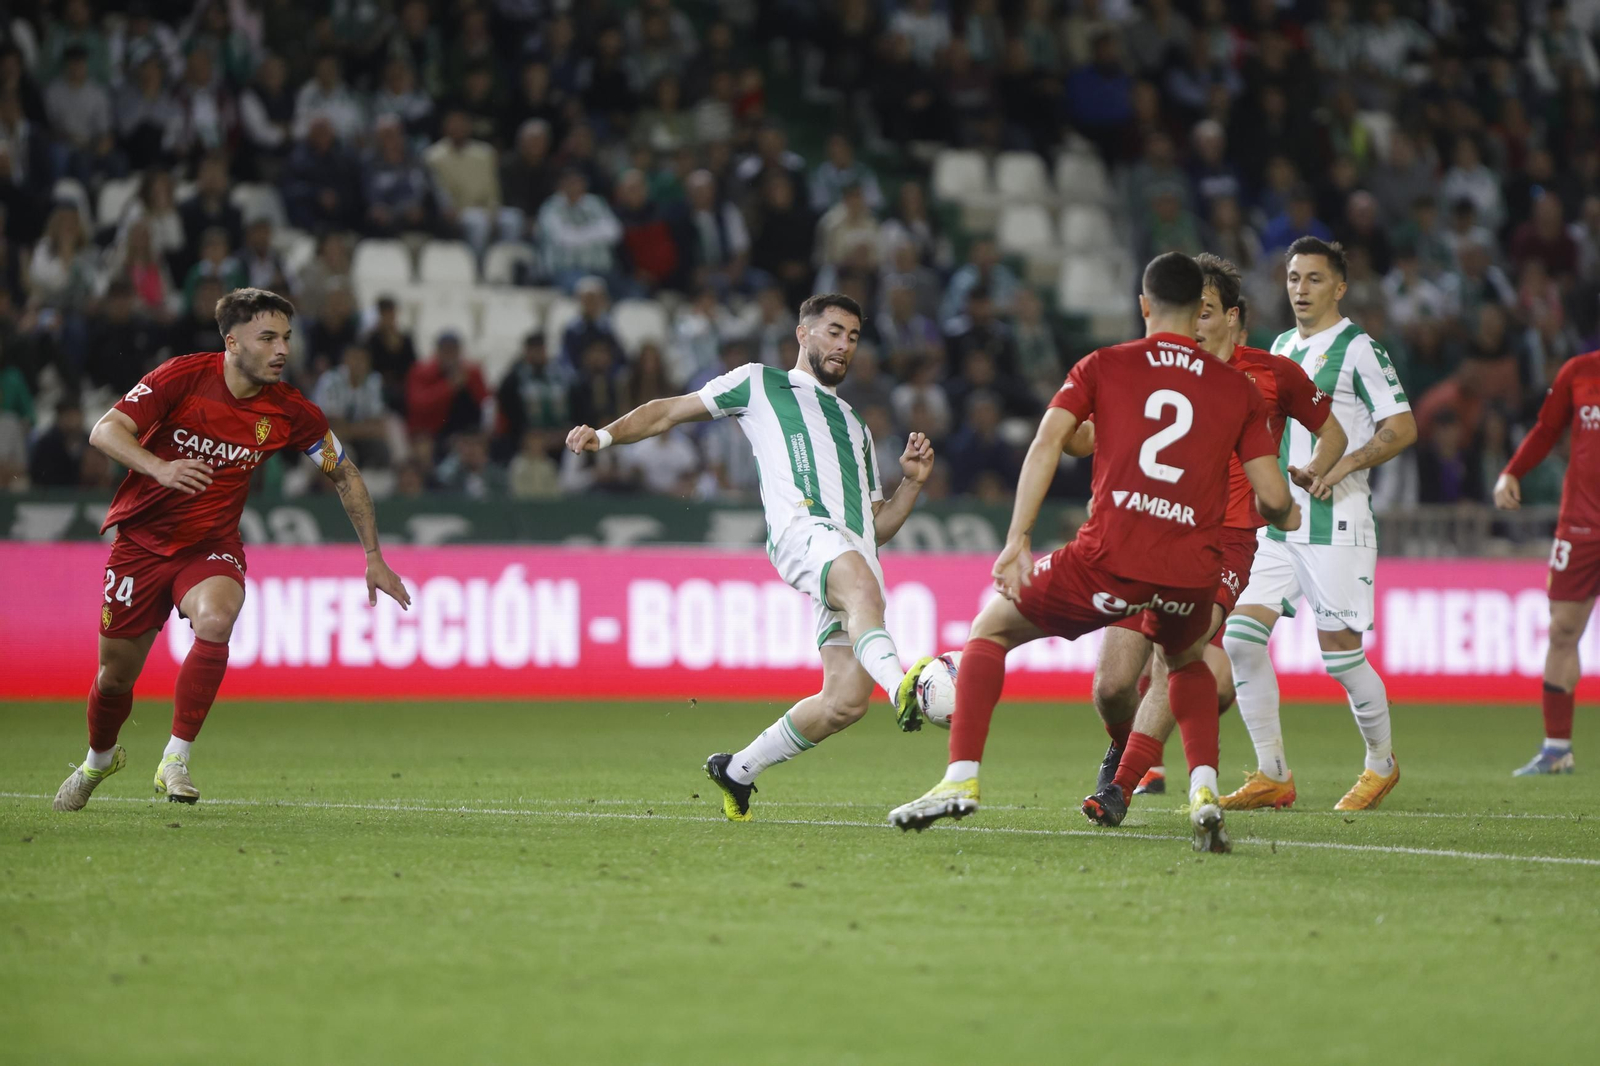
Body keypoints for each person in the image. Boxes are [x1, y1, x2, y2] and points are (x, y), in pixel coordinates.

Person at [887, 252, 1299, 853]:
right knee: (1184, 664)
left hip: (1112, 554)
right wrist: (1283, 514)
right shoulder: (1237, 390)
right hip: (1191, 569)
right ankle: (1204, 793)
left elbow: (1050, 440)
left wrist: (1018, 540)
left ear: (1144, 305)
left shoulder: (1106, 364)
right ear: (1198, 313)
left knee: (991, 628)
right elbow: (1273, 498)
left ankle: (961, 779)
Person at [566, 294, 937, 821]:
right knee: (861, 588)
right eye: (833, 331)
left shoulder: (857, 427)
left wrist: (913, 485)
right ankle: (902, 682)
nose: (843, 345)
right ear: (803, 334)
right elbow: (668, 412)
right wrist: (604, 436)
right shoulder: (760, 382)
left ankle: (737, 770)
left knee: (845, 703)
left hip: (849, 551)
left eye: (852, 337)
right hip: (802, 531)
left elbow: (876, 527)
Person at [53, 289, 410, 812]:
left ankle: (175, 759)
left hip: (210, 545)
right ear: (232, 341)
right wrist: (160, 468)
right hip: (142, 545)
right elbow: (105, 430)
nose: (281, 349)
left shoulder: (289, 410)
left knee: (218, 619)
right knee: (113, 678)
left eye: (286, 337)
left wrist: (373, 555)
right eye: (267, 337)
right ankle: (98, 761)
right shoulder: (181, 376)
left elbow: (343, 472)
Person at [1082, 256, 1346, 819]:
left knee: (1175, 656)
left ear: (1232, 318)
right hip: (1149, 531)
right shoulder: (1161, 375)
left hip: (1224, 541)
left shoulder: (1271, 376)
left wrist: (1314, 472)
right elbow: (1093, 436)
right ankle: (1126, 745)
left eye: (1205, 313)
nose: (1194, 323)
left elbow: (1333, 431)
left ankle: (1121, 786)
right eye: (1188, 312)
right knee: (1110, 687)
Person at [1220, 238, 1418, 812]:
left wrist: (1343, 464)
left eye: (1312, 279)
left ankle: (1382, 764)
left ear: (1339, 287)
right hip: (1279, 524)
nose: (1300, 290)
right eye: (1292, 279)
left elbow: (1401, 427)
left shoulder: (1359, 349)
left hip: (1339, 521)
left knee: (1341, 656)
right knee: (1238, 638)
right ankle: (1272, 774)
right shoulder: (1281, 347)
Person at [1493, 348, 1600, 775]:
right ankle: (1557, 750)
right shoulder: (1579, 370)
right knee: (1562, 630)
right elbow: (1547, 428)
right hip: (1579, 525)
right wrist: (1512, 472)